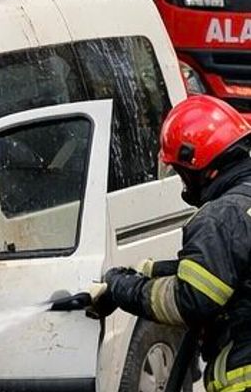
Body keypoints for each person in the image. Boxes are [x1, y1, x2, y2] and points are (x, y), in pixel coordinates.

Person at [93, 95, 251, 392]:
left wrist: (121, 289)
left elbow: (190, 301)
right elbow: (232, 267)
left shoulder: (220, 218)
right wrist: (151, 272)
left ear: (198, 166)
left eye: (180, 172)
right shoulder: (241, 205)